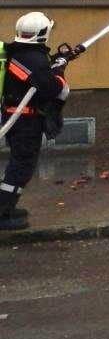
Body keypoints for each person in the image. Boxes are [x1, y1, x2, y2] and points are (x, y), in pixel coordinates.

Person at [2, 12, 71, 232]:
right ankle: (3, 213)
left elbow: (35, 78)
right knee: (21, 166)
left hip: (17, 118)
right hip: (24, 121)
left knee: (18, 163)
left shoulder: (20, 53)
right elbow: (52, 88)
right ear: (44, 33)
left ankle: (7, 207)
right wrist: (59, 70)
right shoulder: (32, 58)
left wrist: (57, 63)